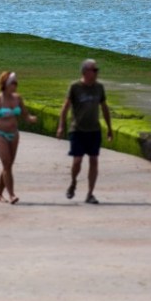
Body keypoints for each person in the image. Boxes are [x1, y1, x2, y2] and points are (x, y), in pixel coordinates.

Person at [56, 58, 113, 204]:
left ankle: (90, 193)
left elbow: (104, 108)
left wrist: (109, 128)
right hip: (77, 129)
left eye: (96, 70)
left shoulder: (99, 88)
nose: (96, 72)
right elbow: (65, 108)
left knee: (94, 160)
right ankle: (73, 181)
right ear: (85, 71)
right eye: (94, 70)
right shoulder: (75, 87)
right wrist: (61, 126)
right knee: (78, 161)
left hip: (94, 130)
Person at [0, 70, 38, 204]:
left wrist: (31, 119)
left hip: (13, 134)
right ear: (4, 84)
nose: (15, 86)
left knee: (8, 165)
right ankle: (12, 195)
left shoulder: (18, 98)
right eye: (12, 83)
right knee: (6, 162)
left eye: (16, 83)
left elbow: (25, 115)